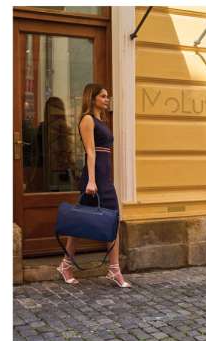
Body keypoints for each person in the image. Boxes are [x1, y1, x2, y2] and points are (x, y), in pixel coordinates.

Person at [56, 83, 132, 288]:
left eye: (108, 96)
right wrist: (91, 180)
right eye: (103, 96)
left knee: (111, 220)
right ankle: (66, 265)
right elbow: (90, 151)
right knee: (81, 223)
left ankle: (113, 269)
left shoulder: (101, 120)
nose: (107, 99)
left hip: (104, 178)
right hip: (94, 178)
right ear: (92, 98)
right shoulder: (88, 119)